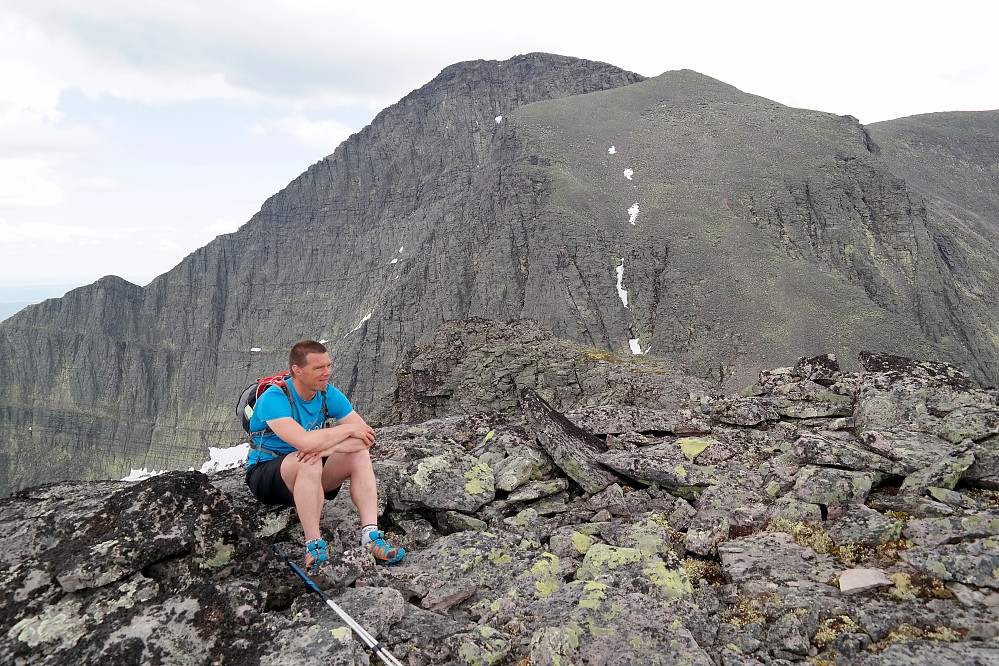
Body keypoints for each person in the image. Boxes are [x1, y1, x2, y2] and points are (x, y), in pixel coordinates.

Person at [245, 340, 405, 570]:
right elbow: (305, 442)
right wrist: (347, 430)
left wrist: (329, 449)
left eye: (328, 365)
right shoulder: (274, 398)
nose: (327, 373)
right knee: (307, 460)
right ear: (297, 371)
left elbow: (366, 438)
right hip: (267, 475)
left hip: (313, 467)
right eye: (318, 368)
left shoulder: (327, 394)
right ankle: (314, 547)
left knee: (359, 453)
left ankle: (371, 537)